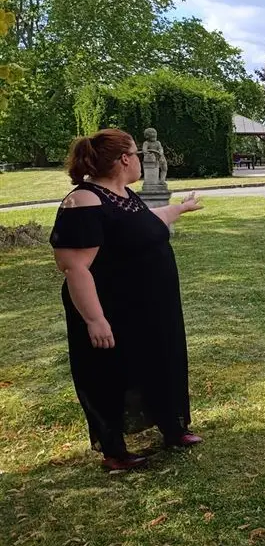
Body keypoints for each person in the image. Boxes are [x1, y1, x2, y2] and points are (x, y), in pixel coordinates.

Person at [49, 128, 203, 471]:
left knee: (160, 361)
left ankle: (172, 428)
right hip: (114, 310)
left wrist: (181, 208)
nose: (140, 160)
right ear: (124, 160)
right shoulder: (84, 200)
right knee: (110, 373)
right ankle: (115, 451)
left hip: (150, 308)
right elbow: (74, 267)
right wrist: (95, 319)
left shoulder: (123, 194)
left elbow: (145, 223)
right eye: (135, 154)